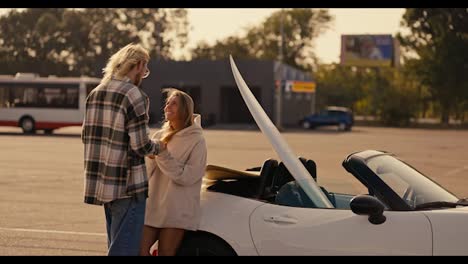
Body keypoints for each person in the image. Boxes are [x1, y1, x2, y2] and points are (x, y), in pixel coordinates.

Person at [81, 43, 165, 256]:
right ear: (137, 66)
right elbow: (140, 145)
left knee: (116, 246)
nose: (143, 75)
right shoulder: (134, 94)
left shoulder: (96, 93)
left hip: (102, 184)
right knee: (125, 250)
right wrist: (160, 147)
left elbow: (86, 136)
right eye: (144, 70)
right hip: (128, 186)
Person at [139, 88, 207, 256]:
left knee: (165, 253)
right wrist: (149, 157)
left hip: (177, 209)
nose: (168, 106)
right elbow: (148, 173)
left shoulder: (197, 140)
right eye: (167, 102)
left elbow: (188, 177)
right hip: (154, 206)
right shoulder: (160, 135)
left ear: (185, 110)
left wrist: (162, 154)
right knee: (138, 250)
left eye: (174, 103)